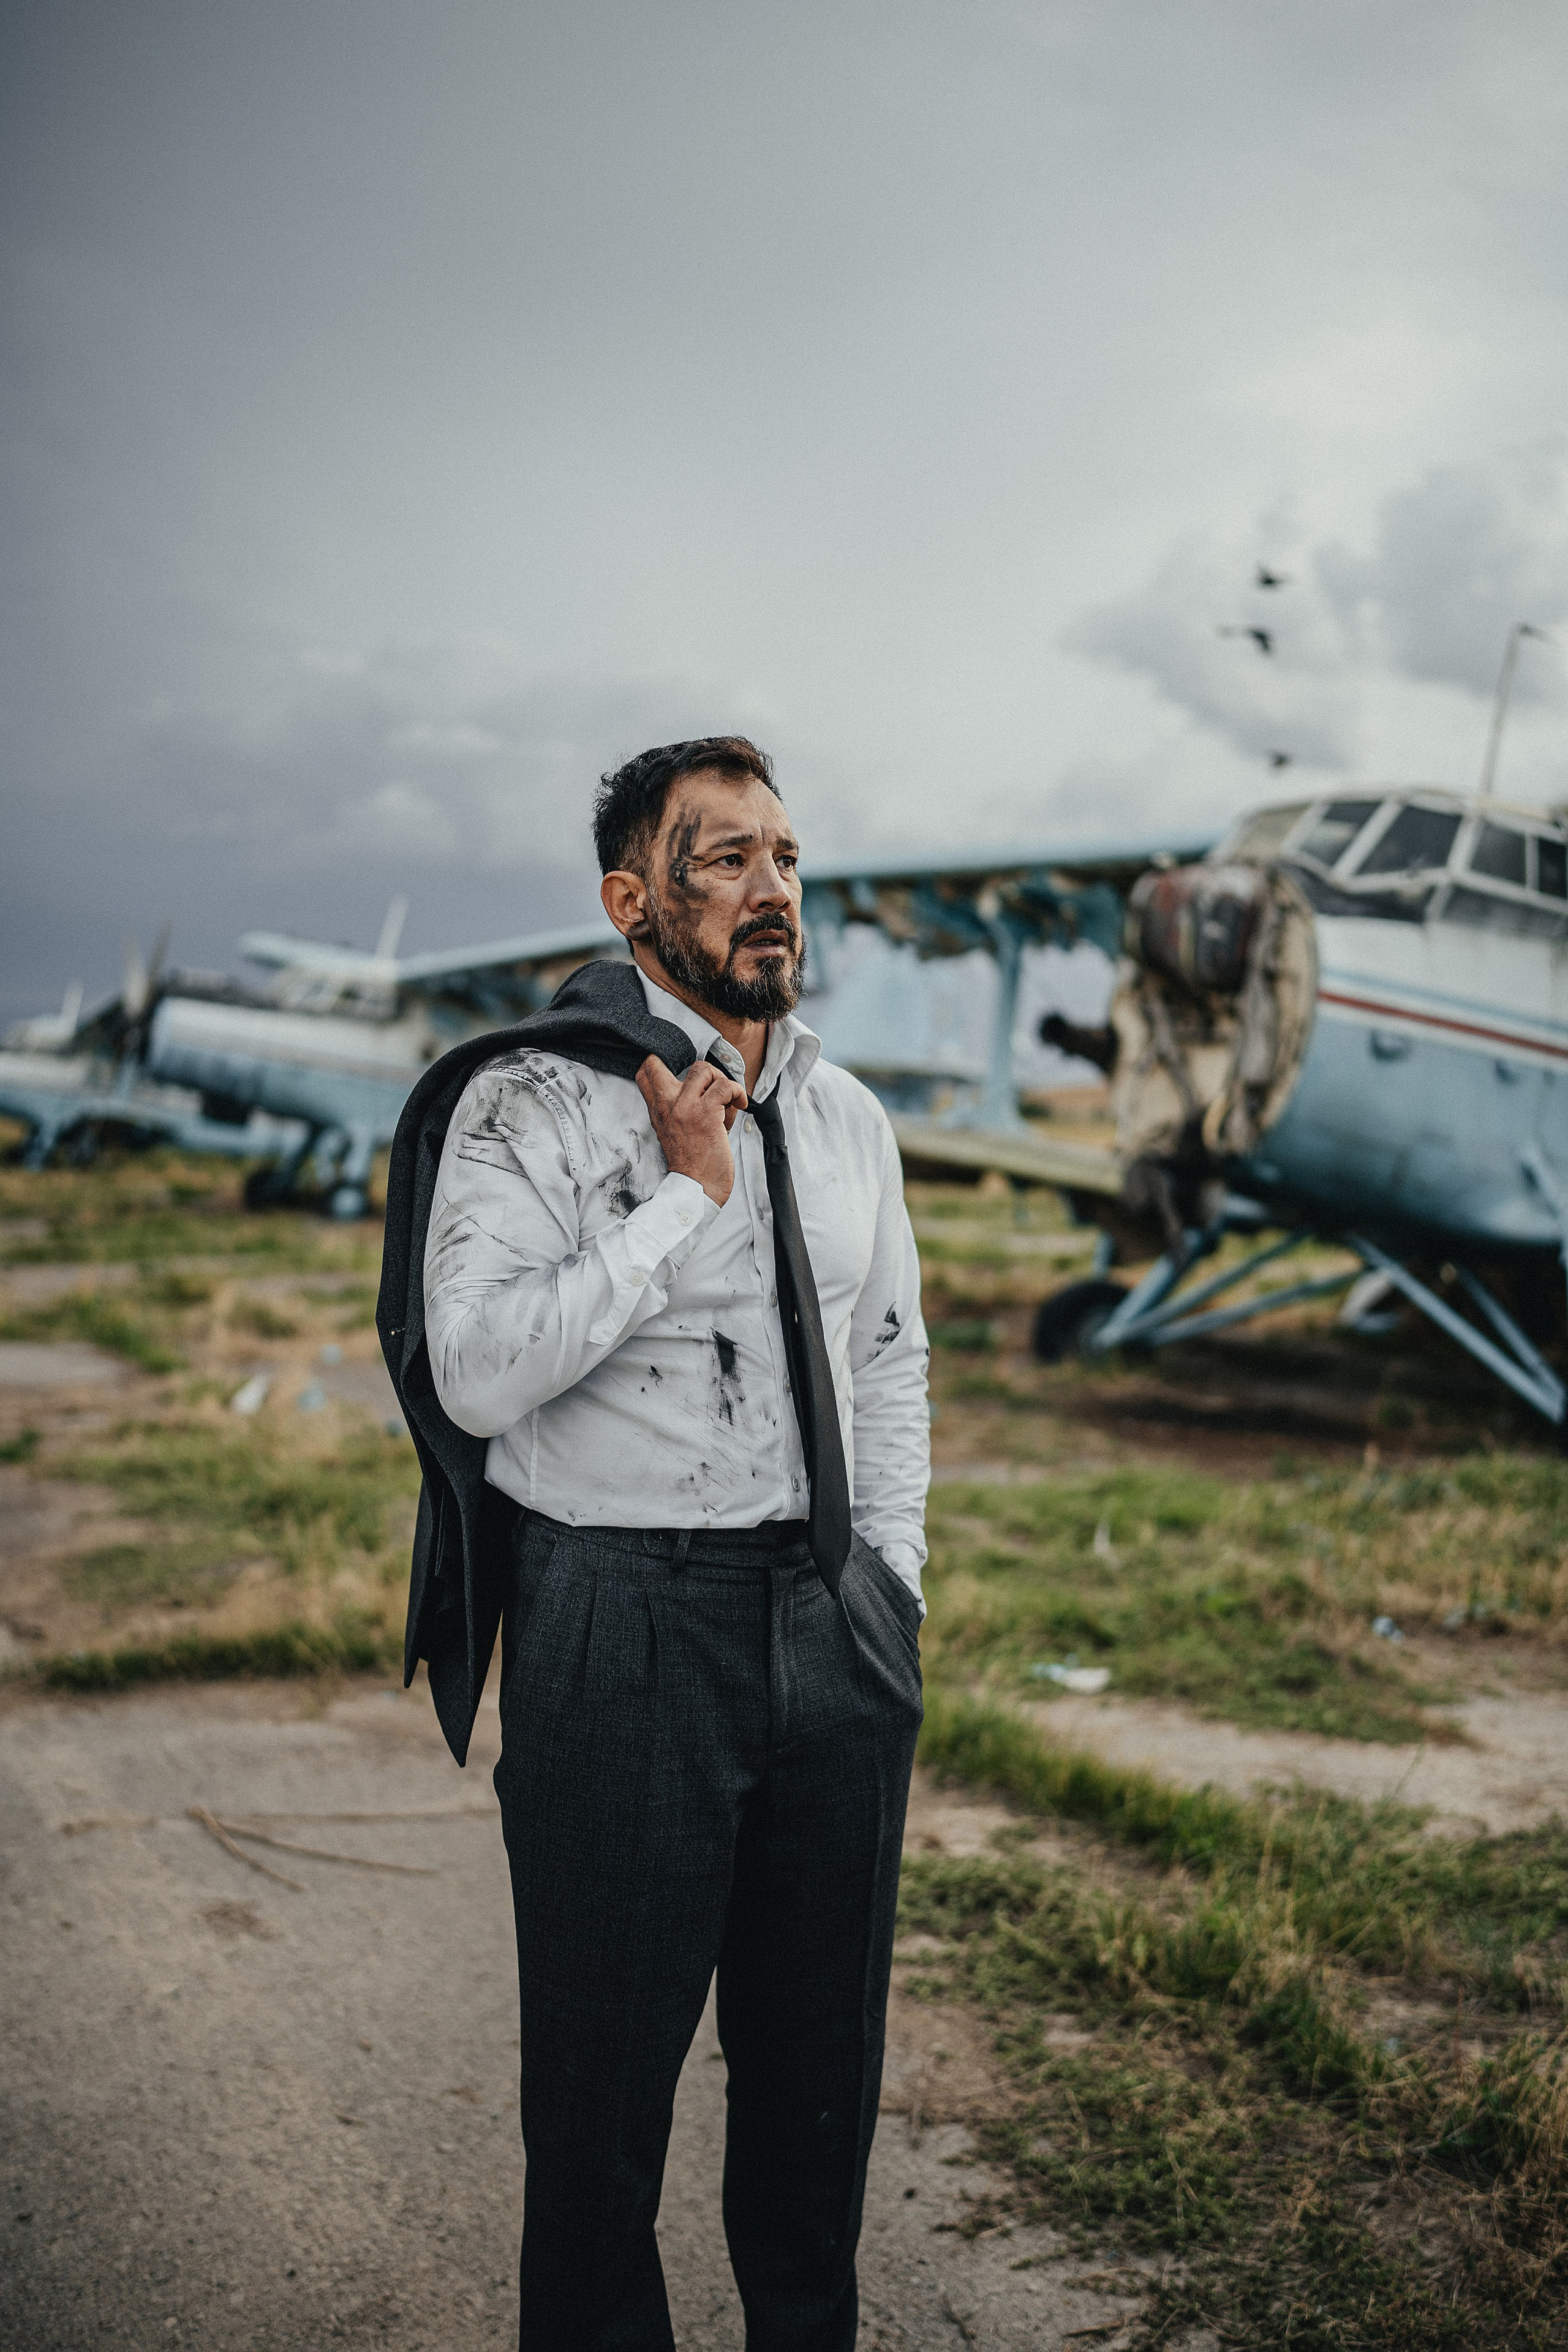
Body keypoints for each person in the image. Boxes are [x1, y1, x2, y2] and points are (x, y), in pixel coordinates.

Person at [382, 736, 929, 2350]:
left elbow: (890, 1348)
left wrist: (890, 1582)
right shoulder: (528, 1100)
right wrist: (681, 1200)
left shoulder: (843, 1115)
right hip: (619, 1626)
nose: (772, 891)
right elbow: (475, 1372)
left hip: (831, 1624)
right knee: (605, 2106)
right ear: (632, 900)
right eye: (725, 860)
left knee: (818, 2095)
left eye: (787, 857)